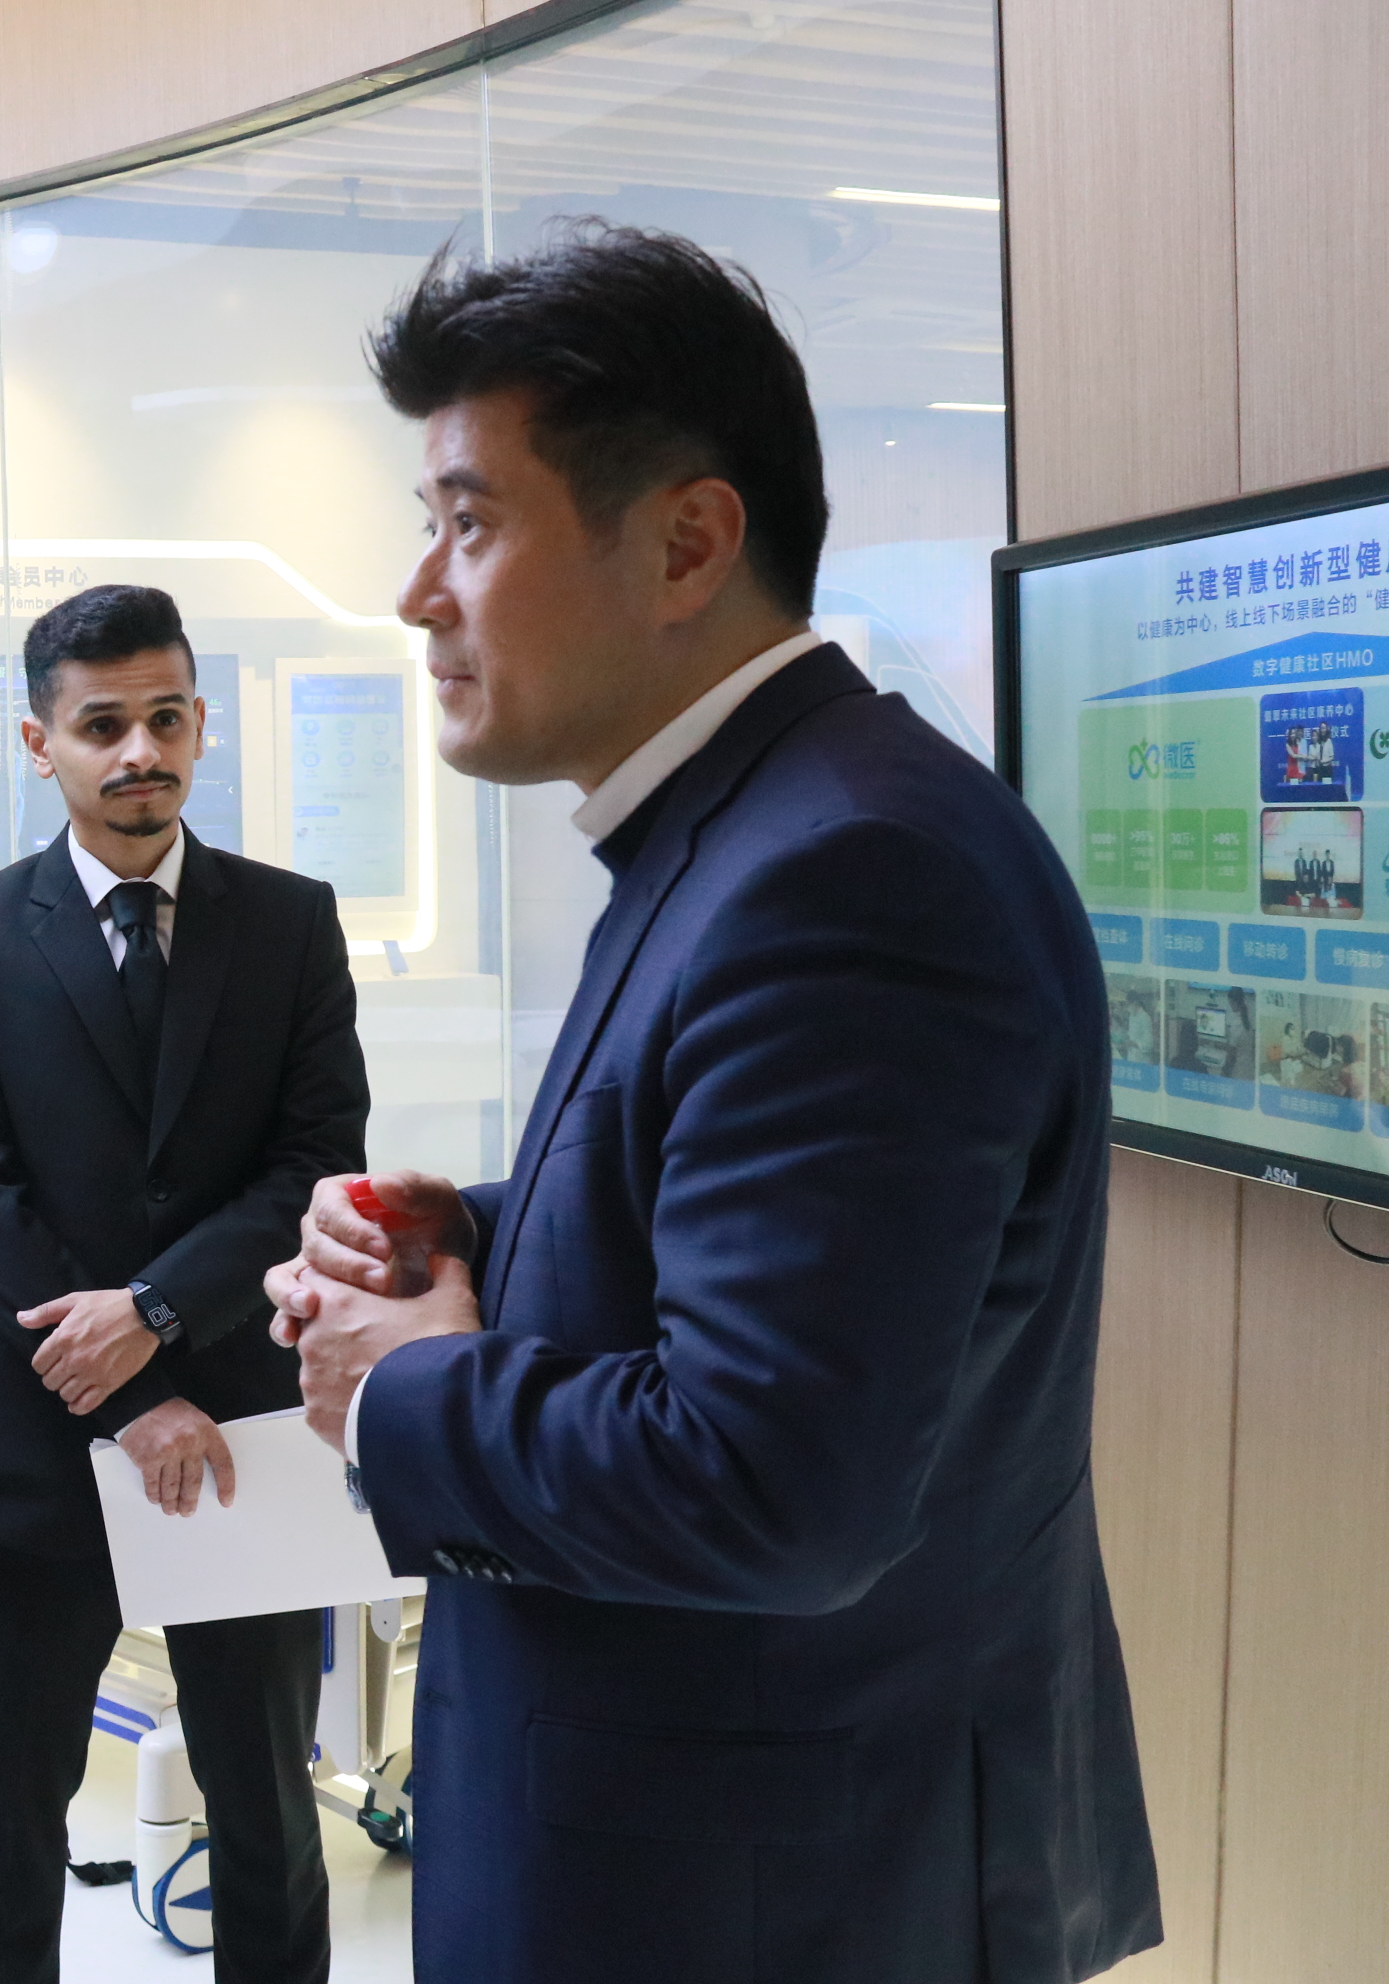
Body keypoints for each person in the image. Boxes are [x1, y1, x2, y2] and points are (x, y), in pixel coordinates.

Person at [268, 226, 1161, 1983]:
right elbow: (813, 1271)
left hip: (769, 1898)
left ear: (686, 543)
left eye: (469, 522)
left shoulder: (845, 875)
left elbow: (771, 1480)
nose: (418, 594)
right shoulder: (762, 827)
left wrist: (403, 1388)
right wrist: (482, 1241)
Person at [0, 585, 367, 1984]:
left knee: (265, 1796)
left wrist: (157, 1320)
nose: (139, 752)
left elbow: (316, 1164)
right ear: (38, 741)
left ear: (201, 725)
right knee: (16, 1795)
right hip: (40, 1427)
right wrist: (126, 1397)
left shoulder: (289, 922)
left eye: (165, 719)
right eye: (101, 724)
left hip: (242, 1426)